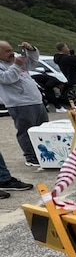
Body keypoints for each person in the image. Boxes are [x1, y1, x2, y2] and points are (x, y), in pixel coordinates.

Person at [0, 39, 46, 178]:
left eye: (11, 49)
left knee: (42, 129)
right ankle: (31, 157)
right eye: (7, 51)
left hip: (36, 101)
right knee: (26, 131)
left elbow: (33, 62)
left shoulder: (17, 61)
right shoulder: (6, 66)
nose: (11, 53)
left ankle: (44, 153)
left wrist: (31, 49)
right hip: (19, 104)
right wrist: (16, 66)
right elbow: (7, 79)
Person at [53, 43, 76, 108]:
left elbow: (73, 61)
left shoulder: (60, 58)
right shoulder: (66, 58)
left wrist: (71, 54)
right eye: (66, 47)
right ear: (63, 48)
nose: (68, 48)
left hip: (71, 78)